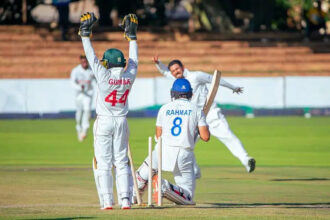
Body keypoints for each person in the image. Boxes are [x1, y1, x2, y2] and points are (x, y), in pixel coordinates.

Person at [152, 56, 255, 174]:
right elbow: (165, 71)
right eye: (173, 71)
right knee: (185, 144)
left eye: (177, 69)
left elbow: (215, 79)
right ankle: (195, 171)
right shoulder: (176, 79)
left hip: (211, 114)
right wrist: (158, 63)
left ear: (183, 67)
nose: (175, 72)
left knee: (228, 136)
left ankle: (247, 160)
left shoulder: (196, 76)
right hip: (193, 117)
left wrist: (233, 87)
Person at [79, 12, 138, 209]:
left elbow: (91, 57)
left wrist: (85, 34)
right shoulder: (128, 76)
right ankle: (126, 200)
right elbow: (134, 61)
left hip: (104, 120)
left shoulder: (103, 76)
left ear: (108, 63)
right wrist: (132, 37)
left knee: (103, 163)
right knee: (121, 162)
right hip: (121, 121)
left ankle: (106, 201)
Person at [137, 78, 210, 204]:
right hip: (183, 152)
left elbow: (158, 135)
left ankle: (132, 194)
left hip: (162, 149)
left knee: (148, 165)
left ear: (172, 93)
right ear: (190, 94)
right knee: (187, 196)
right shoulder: (197, 110)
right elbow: (205, 137)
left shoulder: (164, 108)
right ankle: (164, 186)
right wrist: (200, 128)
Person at [70, 54, 95, 142]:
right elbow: (72, 83)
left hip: (88, 94)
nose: (84, 63)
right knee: (79, 112)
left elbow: (97, 80)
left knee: (87, 110)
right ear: (80, 61)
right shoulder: (76, 71)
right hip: (79, 95)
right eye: (83, 61)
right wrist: (79, 87)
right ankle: (78, 128)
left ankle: (85, 130)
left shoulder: (91, 70)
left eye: (86, 61)